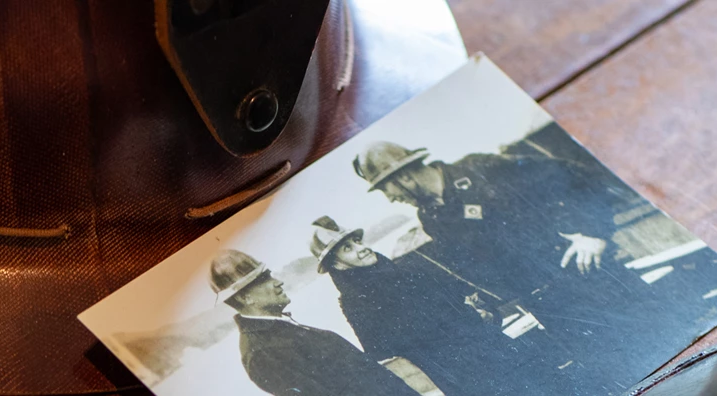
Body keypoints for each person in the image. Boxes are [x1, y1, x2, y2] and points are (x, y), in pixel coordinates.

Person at [351, 141, 665, 387]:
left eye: (386, 189)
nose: (391, 198)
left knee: (657, 351)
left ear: (403, 175)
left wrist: (594, 233)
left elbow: (575, 173)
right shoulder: (431, 217)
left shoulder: (481, 169)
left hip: (593, 283)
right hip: (549, 307)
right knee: (617, 374)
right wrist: (483, 302)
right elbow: (480, 265)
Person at [308, 216, 578, 396]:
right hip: (460, 373)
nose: (360, 248)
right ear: (337, 265)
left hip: (492, 345)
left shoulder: (405, 268)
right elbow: (383, 350)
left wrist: (480, 311)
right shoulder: (354, 302)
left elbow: (459, 293)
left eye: (356, 241)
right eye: (347, 249)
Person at [209, 249, 416, 396]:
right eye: (264, 279)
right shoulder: (262, 352)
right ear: (245, 298)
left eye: (269, 275)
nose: (278, 281)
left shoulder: (279, 330)